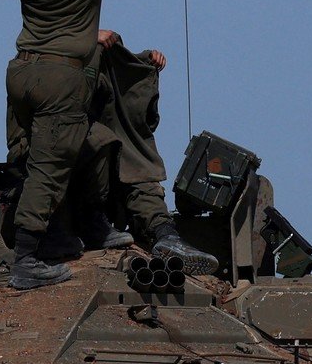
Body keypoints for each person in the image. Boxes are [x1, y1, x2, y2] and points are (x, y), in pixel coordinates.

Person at [0, 0, 125, 289]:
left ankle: (56, 234)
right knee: (48, 167)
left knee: (33, 158)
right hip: (63, 77)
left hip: (22, 72)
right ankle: (27, 260)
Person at [83, 29, 217, 274]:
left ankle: (165, 235)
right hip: (75, 193)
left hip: (111, 190)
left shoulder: (115, 119)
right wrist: (87, 39)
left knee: (137, 169)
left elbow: (145, 121)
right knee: (100, 144)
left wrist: (145, 62)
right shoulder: (58, 83)